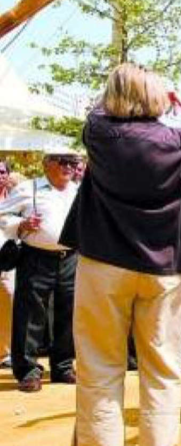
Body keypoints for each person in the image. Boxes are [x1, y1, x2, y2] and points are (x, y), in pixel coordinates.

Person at [62, 64, 181, 446]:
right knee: (161, 372)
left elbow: (95, 111)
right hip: (166, 269)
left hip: (103, 264)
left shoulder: (99, 133)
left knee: (99, 371)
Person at [0, 150, 80, 392]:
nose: (70, 167)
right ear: (47, 165)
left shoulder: (78, 190)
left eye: (73, 163)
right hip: (36, 257)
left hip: (71, 258)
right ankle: (28, 371)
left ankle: (63, 367)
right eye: (63, 162)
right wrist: (20, 224)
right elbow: (2, 214)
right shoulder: (29, 188)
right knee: (31, 314)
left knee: (67, 314)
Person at [0, 159, 13, 370]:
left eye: (2, 172)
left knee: (8, 297)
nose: (0, 175)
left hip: (8, 258)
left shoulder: (16, 197)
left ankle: (6, 352)